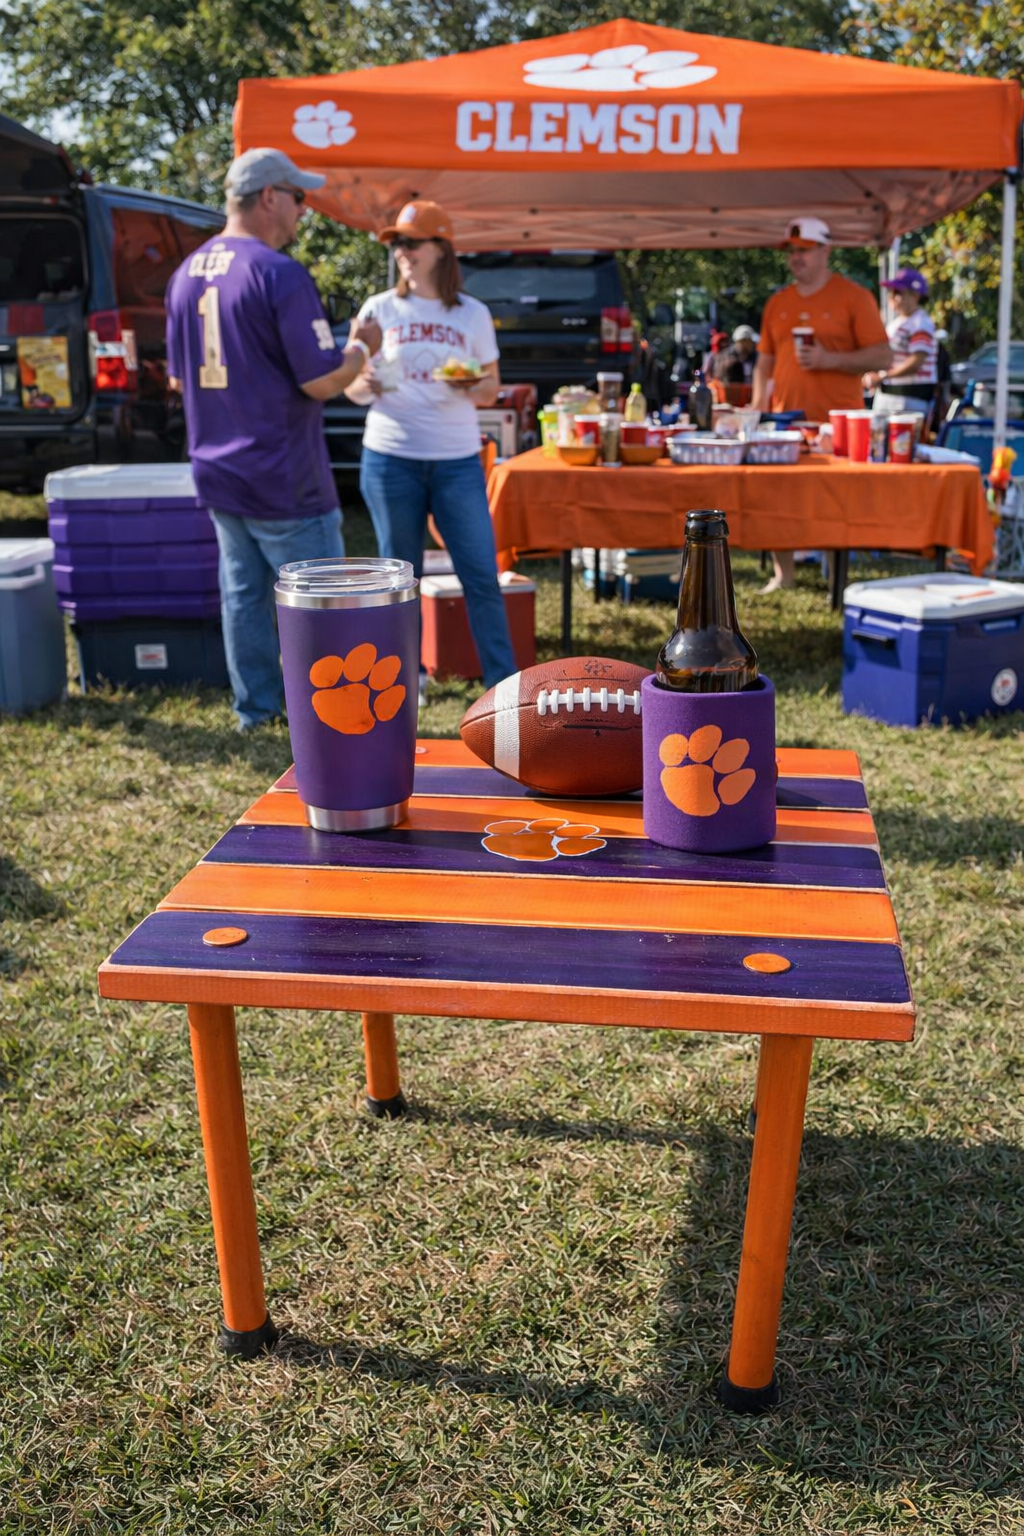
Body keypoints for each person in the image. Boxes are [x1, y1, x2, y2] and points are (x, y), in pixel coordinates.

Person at [166, 148, 382, 731]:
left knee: (243, 596)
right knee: (320, 607)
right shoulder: (278, 272)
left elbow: (179, 380)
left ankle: (256, 711)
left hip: (217, 469)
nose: (303, 211)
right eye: (298, 198)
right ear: (268, 197)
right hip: (283, 473)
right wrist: (361, 347)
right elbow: (321, 381)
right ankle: (331, 720)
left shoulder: (186, 273)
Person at [347, 199, 516, 692]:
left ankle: (502, 686)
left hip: (456, 461)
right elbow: (352, 388)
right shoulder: (378, 309)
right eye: (397, 244)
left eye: (411, 243)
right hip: (389, 458)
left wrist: (470, 383)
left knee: (481, 575)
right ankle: (402, 681)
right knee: (398, 581)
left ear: (441, 249)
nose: (402, 251)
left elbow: (491, 390)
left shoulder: (472, 313)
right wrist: (364, 383)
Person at [752, 216, 892, 592]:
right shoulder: (777, 302)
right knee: (777, 498)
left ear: (826, 250)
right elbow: (764, 362)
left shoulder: (854, 297)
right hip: (785, 420)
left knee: (834, 500)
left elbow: (882, 356)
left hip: (837, 422)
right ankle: (783, 575)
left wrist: (831, 360)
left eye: (805, 250)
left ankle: (836, 574)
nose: (796, 257)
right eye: (792, 251)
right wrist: (756, 409)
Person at [863, 267, 938, 431]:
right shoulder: (900, 322)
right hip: (891, 399)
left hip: (907, 401)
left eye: (898, 292)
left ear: (915, 295)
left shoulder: (920, 322)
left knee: (901, 446)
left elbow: (917, 361)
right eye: (892, 292)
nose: (892, 297)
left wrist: (882, 376)